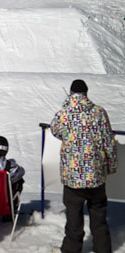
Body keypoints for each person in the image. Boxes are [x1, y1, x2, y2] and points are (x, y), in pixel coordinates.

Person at [50, 79, 118, 253]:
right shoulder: (99, 112)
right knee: (99, 217)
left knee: (73, 219)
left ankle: (72, 249)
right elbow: (108, 142)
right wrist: (110, 166)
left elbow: (55, 130)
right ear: (86, 93)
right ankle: (103, 249)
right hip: (96, 176)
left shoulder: (64, 114)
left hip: (73, 178)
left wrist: (67, 105)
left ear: (71, 93)